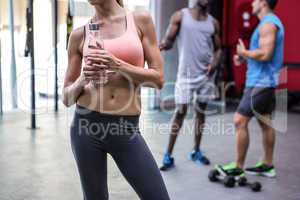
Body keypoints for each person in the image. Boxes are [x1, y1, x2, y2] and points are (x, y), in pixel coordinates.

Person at [62, 0, 170, 199]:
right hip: (86, 127)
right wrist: (82, 79)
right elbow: (67, 98)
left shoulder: (140, 20)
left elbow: (159, 79)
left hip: (125, 127)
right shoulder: (80, 34)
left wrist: (117, 64)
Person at [218, 0, 284, 178]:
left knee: (240, 120)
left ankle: (238, 167)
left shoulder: (268, 23)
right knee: (266, 123)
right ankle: (268, 165)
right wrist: (245, 58)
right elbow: (262, 53)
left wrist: (244, 53)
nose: (252, 3)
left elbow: (265, 54)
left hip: (260, 84)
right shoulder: (266, 23)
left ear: (263, 2)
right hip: (265, 82)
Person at [159, 0, 222, 170]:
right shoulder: (181, 16)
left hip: (206, 75)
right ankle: (168, 154)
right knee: (180, 112)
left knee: (201, 111)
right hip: (186, 75)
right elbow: (169, 40)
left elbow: (218, 49)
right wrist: (163, 45)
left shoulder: (213, 23)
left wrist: (215, 63)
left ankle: (196, 151)